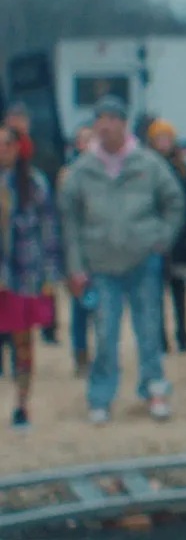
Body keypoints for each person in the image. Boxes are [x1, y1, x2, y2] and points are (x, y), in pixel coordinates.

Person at [58, 96, 185, 424]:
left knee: (149, 329)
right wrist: (75, 266)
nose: (106, 125)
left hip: (144, 261)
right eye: (100, 119)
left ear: (124, 124)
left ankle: (154, 389)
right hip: (100, 265)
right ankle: (100, 397)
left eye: (113, 119)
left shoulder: (148, 163)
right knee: (104, 334)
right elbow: (70, 222)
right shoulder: (81, 170)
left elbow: (174, 201)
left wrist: (162, 239)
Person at [0, 127, 62, 428]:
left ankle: (22, 403)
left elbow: (48, 231)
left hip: (23, 274)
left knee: (22, 342)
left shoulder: (34, 183)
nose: (2, 150)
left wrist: (49, 275)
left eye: (7, 144)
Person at [147, 118, 186, 353]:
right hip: (155, 238)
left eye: (167, 138)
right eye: (159, 138)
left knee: (179, 289)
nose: (163, 142)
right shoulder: (146, 169)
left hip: (179, 238)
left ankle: (183, 335)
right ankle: (160, 339)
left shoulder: (185, 170)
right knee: (156, 292)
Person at [60, 123, 97, 376]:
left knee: (102, 306)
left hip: (100, 249)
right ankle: (81, 354)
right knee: (80, 307)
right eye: (83, 139)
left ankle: (102, 353)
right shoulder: (68, 174)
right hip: (76, 250)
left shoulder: (104, 171)